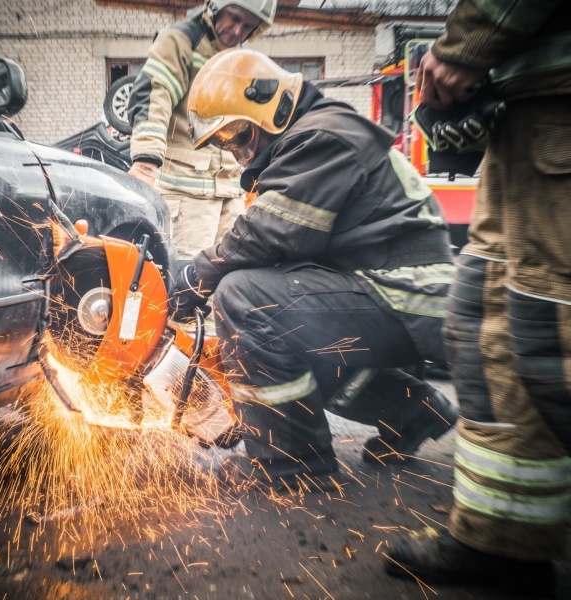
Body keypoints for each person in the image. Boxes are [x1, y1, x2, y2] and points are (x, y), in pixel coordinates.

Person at [171, 47, 459, 491]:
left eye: (239, 136)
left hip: (401, 289)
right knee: (285, 339)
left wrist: (195, 276)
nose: (237, 153)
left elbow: (270, 234)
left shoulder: (323, 135)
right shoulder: (310, 140)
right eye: (227, 144)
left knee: (246, 299)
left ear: (272, 105)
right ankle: (414, 411)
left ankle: (293, 464)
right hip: (386, 285)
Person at [382, 0, 571, 591]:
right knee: (485, 326)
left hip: (559, 109)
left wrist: (468, 43)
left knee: (552, 336)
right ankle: (503, 538)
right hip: (523, 120)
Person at [127, 0, 276, 260]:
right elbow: (155, 95)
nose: (238, 30)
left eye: (248, 26)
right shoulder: (181, 40)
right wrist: (145, 162)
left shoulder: (240, 59)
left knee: (226, 273)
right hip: (187, 192)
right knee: (186, 280)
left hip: (229, 190)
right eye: (234, 18)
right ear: (216, 7)